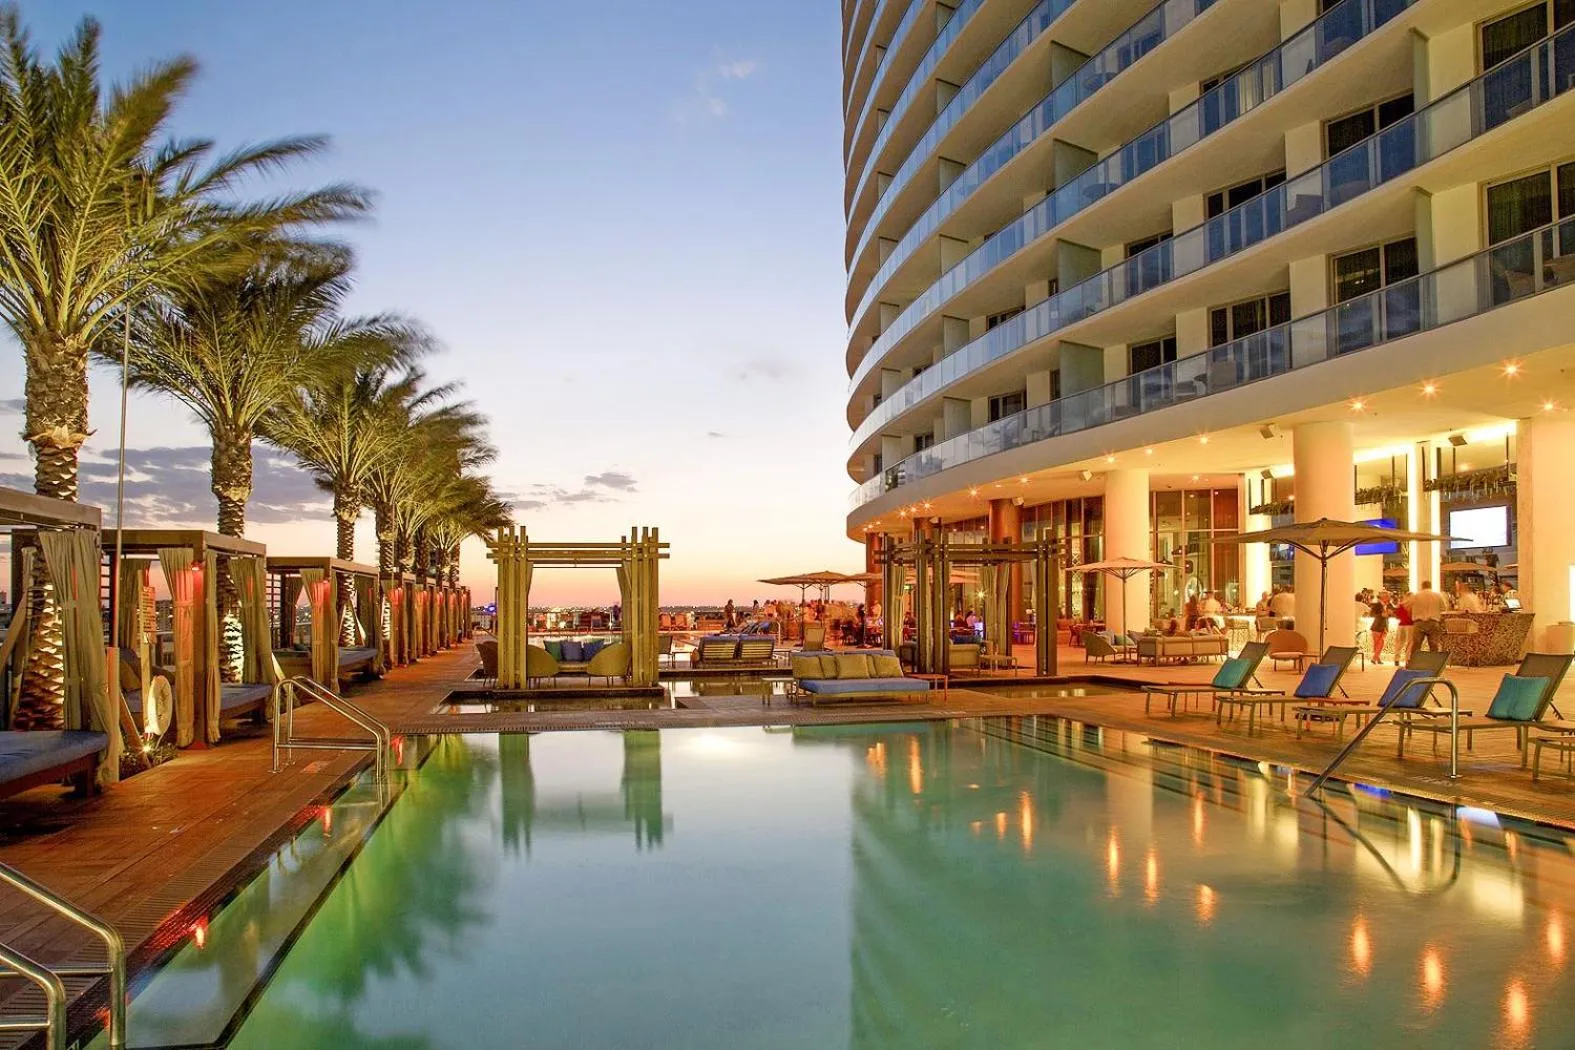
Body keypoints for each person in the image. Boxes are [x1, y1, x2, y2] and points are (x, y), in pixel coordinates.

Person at [1404, 581, 1448, 657]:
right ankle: (1433, 662)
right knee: (1434, 645)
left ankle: (1414, 661)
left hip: (1419, 623)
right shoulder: (1437, 595)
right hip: (1433, 622)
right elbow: (1444, 608)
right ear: (1431, 586)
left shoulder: (1416, 595)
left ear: (1422, 586)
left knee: (1416, 645)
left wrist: (1412, 612)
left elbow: (1406, 606)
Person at [1368, 592, 1391, 665]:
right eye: (1387, 597)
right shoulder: (1378, 604)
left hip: (1379, 626)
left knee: (1378, 644)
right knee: (1379, 643)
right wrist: (1385, 614)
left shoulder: (1384, 605)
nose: (1389, 598)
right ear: (1383, 597)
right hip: (1378, 626)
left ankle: (1376, 658)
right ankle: (1375, 658)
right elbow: (1374, 614)